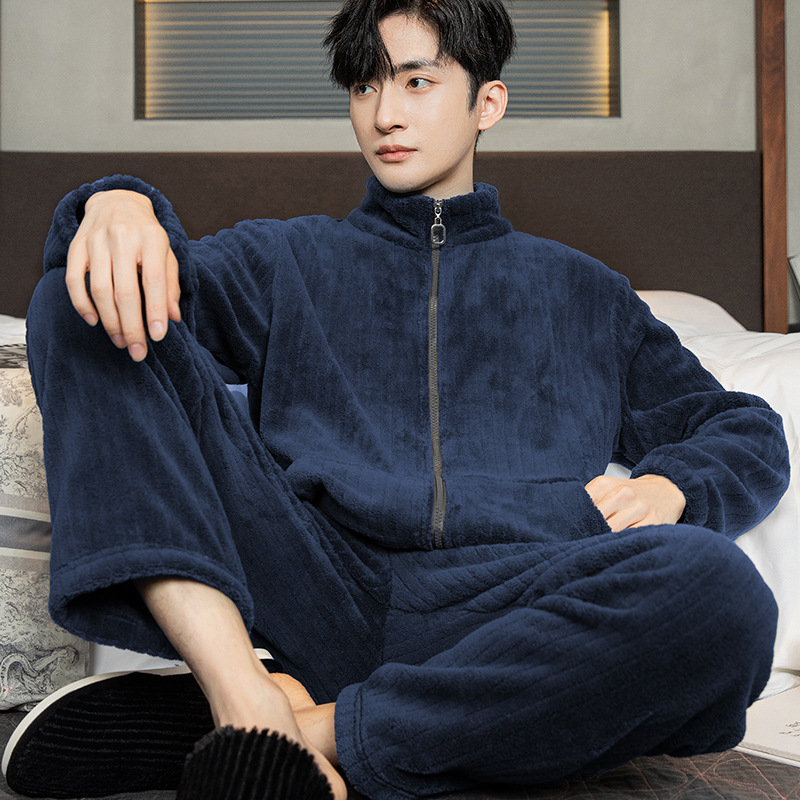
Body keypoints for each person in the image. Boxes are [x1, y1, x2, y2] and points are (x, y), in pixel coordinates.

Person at [2, 0, 790, 798]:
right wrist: (116, 203)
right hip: (311, 582)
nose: (385, 115)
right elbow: (140, 282)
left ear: (488, 102)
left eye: (417, 82)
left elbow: (741, 428)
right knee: (81, 301)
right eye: (364, 87)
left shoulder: (587, 294)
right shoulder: (286, 259)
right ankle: (243, 689)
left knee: (719, 593)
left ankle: (300, 728)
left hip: (512, 609)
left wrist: (672, 485)